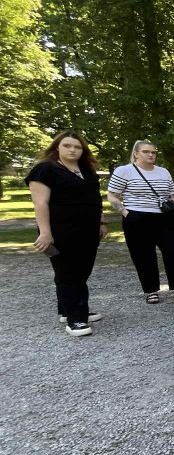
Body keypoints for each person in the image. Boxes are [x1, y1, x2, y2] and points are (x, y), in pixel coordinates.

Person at [25, 132, 108, 336]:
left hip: (87, 230)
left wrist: (101, 221)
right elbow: (40, 203)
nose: (72, 150)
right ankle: (76, 319)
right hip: (60, 231)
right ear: (57, 148)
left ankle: (66, 309)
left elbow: (95, 198)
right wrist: (45, 232)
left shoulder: (86, 169)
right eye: (67, 146)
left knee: (82, 271)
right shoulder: (45, 169)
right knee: (68, 273)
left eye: (77, 147)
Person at [107, 140, 174, 303]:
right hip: (136, 217)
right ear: (136, 153)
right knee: (144, 255)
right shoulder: (124, 171)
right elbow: (112, 195)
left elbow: (171, 194)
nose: (151, 154)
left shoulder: (163, 172)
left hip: (164, 218)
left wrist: (172, 208)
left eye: (153, 152)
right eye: (146, 151)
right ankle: (151, 291)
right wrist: (125, 212)